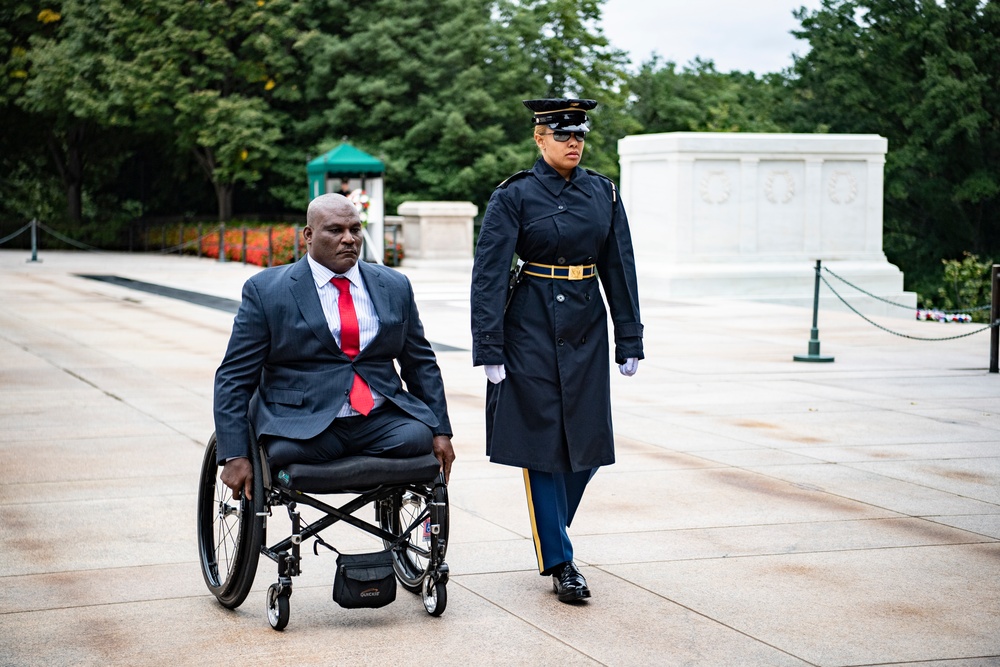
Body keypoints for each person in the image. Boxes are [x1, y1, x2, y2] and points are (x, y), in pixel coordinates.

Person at [470, 98, 643, 604]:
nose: (574, 143)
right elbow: (489, 274)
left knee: (586, 445)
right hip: (529, 326)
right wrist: (489, 345)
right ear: (539, 138)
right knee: (541, 444)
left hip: (587, 325)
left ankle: (552, 529)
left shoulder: (603, 192)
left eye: (580, 135)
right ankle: (561, 560)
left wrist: (629, 336)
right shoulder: (514, 195)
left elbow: (619, 267)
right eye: (562, 134)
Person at [215, 193, 455, 499]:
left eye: (355, 230)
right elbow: (234, 376)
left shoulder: (395, 286)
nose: (349, 239)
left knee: (418, 437)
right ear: (309, 235)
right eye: (335, 230)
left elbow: (420, 363)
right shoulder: (266, 292)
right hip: (303, 426)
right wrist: (234, 452)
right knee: (285, 450)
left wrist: (440, 431)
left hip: (382, 424)